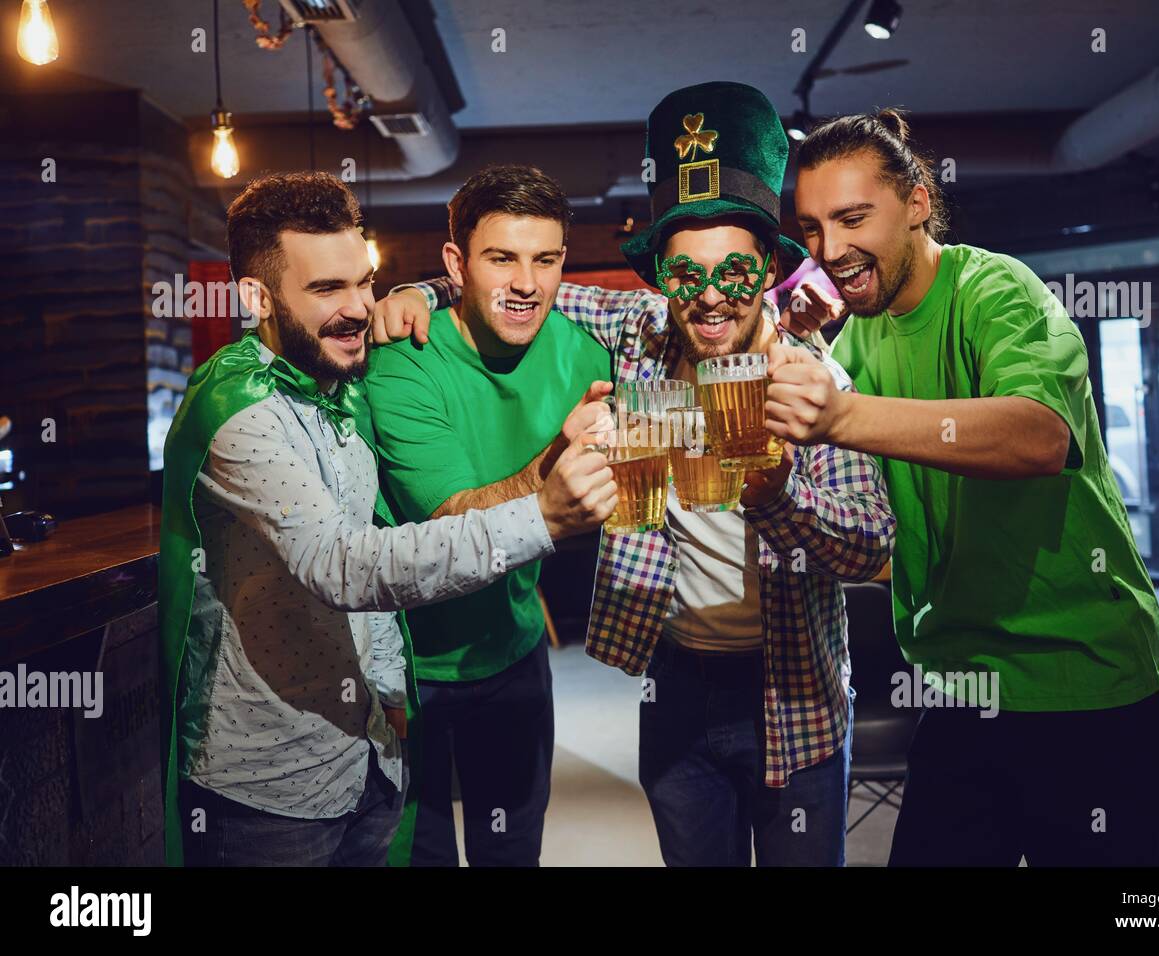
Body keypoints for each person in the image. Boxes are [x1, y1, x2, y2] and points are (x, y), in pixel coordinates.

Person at [375, 83, 895, 866]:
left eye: (734, 274)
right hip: (675, 688)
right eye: (686, 276)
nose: (711, 299)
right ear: (658, 279)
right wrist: (420, 289)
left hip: (793, 695)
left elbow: (869, 551)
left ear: (766, 274)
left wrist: (780, 496)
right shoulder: (639, 335)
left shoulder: (813, 381)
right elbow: (527, 290)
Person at [158, 171, 614, 866]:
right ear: (255, 297)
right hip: (269, 784)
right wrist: (542, 514)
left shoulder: (336, 383)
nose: (358, 309)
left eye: (363, 282)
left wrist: (388, 693)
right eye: (326, 290)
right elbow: (345, 565)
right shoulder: (241, 408)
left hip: (367, 750)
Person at [764, 109, 1159, 866]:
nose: (830, 249)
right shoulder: (860, 329)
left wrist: (844, 412)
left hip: (1077, 678)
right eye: (813, 227)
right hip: (957, 683)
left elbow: (1039, 436)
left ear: (918, 200)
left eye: (854, 218)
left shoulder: (996, 290)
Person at [363, 165, 613, 866]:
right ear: (457, 263)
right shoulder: (403, 360)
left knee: (512, 854)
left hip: (514, 651)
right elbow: (452, 527)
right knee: (423, 857)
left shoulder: (590, 355)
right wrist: (553, 468)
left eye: (544, 259)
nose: (525, 283)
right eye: (501, 258)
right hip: (409, 670)